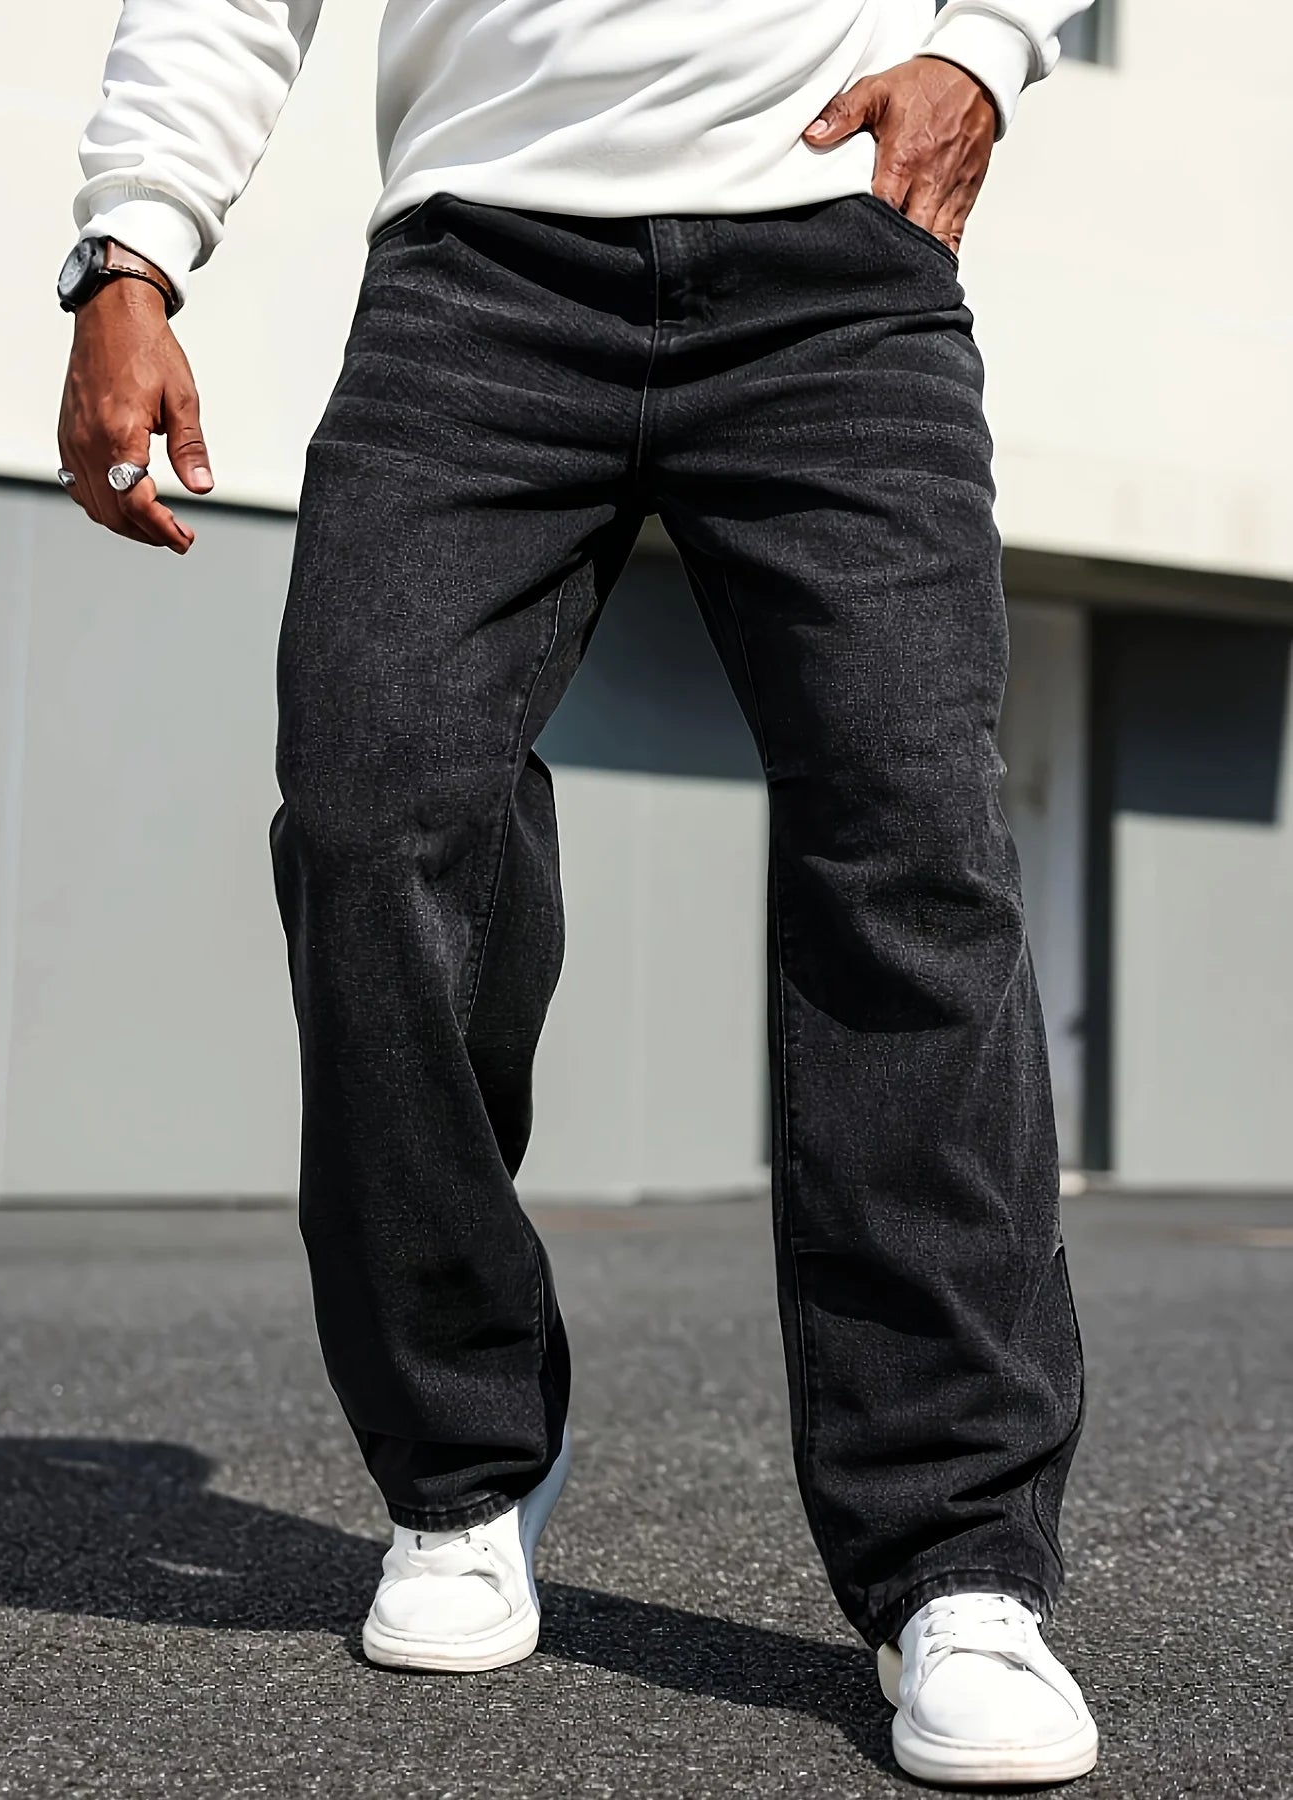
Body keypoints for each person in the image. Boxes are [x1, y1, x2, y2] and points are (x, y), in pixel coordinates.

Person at [56, 0, 1098, 1783]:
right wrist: (129, 249)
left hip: (833, 269)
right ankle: (467, 1466)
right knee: (373, 816)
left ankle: (958, 1561)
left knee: (911, 854)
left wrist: (985, 47)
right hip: (476, 282)